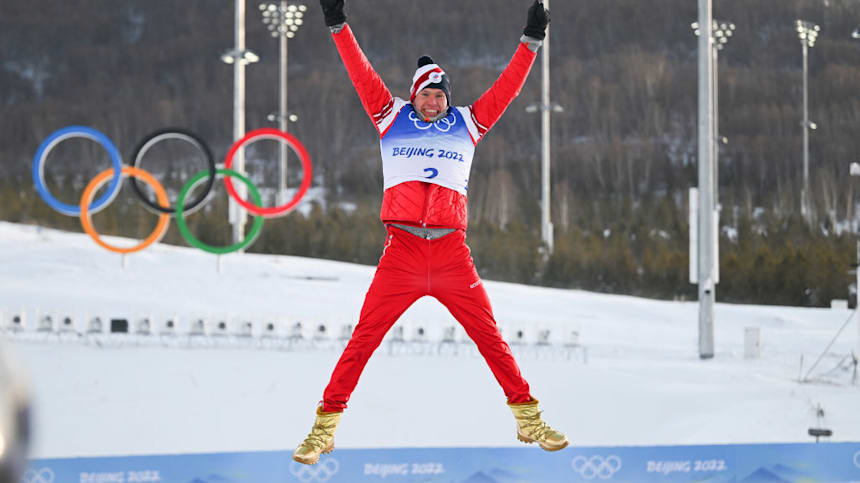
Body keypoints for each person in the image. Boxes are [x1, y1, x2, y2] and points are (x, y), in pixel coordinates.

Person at [294, 0, 567, 465]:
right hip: (400, 252)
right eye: (427, 94)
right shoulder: (389, 116)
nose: (435, 101)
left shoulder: (468, 123)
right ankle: (324, 428)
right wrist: (337, 24)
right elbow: (360, 71)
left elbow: (506, 88)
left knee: (490, 337)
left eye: (441, 95)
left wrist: (531, 41)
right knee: (364, 339)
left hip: (450, 254)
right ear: (414, 95)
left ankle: (528, 416)